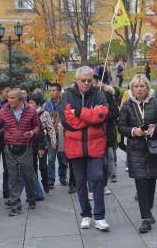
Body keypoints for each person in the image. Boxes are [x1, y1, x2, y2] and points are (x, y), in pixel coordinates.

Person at [60, 66, 110, 231]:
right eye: (83, 80)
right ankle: (86, 215)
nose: (87, 83)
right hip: (74, 145)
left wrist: (79, 112)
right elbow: (67, 121)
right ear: (77, 80)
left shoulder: (99, 94)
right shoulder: (67, 94)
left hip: (95, 145)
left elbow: (102, 116)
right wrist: (90, 117)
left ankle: (100, 217)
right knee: (80, 182)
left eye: (89, 80)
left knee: (97, 178)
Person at [118, 75, 157, 234]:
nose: (139, 89)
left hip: (153, 148)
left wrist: (155, 127)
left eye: (142, 86)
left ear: (147, 87)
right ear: (132, 88)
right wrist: (134, 131)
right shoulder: (127, 105)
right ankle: (145, 218)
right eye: (136, 86)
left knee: (151, 181)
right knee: (141, 183)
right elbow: (121, 127)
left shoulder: (156, 102)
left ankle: (149, 209)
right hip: (136, 149)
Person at [0, 88, 40, 216]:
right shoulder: (4, 110)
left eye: (12, 98)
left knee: (28, 177)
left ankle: (31, 199)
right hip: (9, 148)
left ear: (20, 99)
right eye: (8, 98)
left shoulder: (30, 110)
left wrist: (32, 132)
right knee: (12, 178)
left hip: (26, 147)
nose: (9, 100)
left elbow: (37, 126)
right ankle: (16, 205)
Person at [28, 95, 56, 193]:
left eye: (32, 102)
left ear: (37, 103)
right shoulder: (26, 114)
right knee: (33, 166)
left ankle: (45, 182)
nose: (30, 104)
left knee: (43, 166)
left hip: (43, 142)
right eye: (29, 102)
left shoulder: (44, 113)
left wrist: (53, 141)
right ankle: (36, 187)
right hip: (31, 143)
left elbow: (50, 128)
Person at [43, 83, 68, 189]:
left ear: (59, 91)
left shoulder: (65, 103)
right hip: (51, 134)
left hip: (63, 133)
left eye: (54, 91)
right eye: (50, 91)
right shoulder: (47, 104)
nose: (51, 93)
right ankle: (50, 180)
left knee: (62, 158)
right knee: (51, 159)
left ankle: (62, 178)